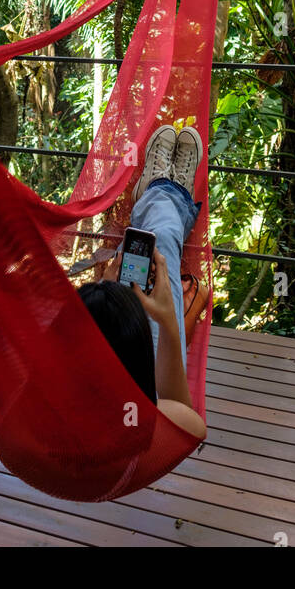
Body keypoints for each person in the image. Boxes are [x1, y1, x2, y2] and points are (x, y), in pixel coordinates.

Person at [78, 124, 207, 441]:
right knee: (158, 245)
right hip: (146, 379)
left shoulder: (56, 395)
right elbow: (193, 427)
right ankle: (162, 192)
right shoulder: (151, 411)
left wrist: (110, 288)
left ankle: (165, 194)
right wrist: (166, 320)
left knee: (143, 250)